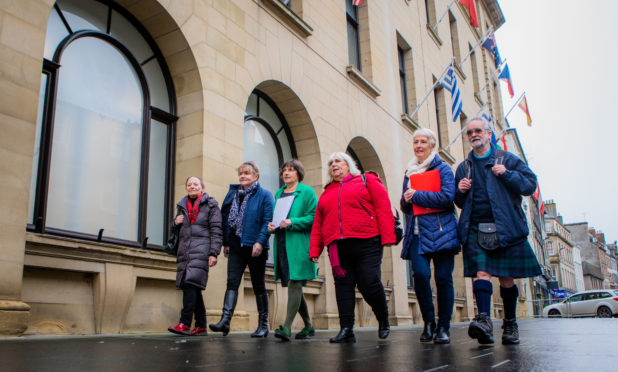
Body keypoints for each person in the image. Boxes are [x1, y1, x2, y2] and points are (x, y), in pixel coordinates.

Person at [455, 116, 541, 345]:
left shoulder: (506, 159)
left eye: (478, 131)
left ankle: (510, 324)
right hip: (476, 227)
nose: (474, 135)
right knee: (481, 273)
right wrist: (461, 191)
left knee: (506, 278)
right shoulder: (464, 167)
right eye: (470, 132)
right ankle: (484, 320)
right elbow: (459, 202)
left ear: (489, 134)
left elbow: (530, 184)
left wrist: (507, 173)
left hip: (506, 227)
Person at [309, 152, 396, 343]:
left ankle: (383, 318)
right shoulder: (326, 192)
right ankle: (346, 329)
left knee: (369, 282)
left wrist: (388, 237)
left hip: (367, 241)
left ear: (349, 165)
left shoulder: (367, 180)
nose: (334, 165)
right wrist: (315, 250)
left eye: (338, 161)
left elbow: (383, 207)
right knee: (343, 287)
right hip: (338, 247)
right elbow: (318, 224)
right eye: (331, 163)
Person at [400, 128, 460, 344]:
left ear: (432, 146)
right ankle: (428, 322)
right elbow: (405, 206)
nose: (418, 146)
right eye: (415, 141)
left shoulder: (443, 168)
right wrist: (407, 200)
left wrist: (417, 195)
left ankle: (444, 326)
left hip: (442, 232)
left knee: (443, 279)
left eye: (423, 141)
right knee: (421, 276)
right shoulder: (409, 171)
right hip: (417, 233)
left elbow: (446, 198)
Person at [209, 161, 274, 337]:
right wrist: (227, 242)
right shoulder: (233, 195)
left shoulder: (265, 195)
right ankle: (225, 321)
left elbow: (268, 221)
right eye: (241, 174)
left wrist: (260, 242)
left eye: (247, 173)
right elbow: (226, 219)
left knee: (258, 285)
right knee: (232, 283)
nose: (243, 176)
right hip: (237, 245)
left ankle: (263, 325)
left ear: (256, 176)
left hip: (255, 246)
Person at [268, 160, 318, 342]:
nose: (287, 173)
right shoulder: (279, 193)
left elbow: (314, 217)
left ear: (298, 173)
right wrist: (271, 225)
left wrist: (292, 221)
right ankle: (309, 326)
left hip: (298, 243)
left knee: (295, 282)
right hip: (282, 241)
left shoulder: (307, 192)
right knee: (293, 282)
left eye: (291, 170)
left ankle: (287, 327)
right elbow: (276, 215)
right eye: (284, 170)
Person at [168, 176, 222, 336]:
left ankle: (184, 323)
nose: (192, 186)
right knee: (194, 287)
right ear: (186, 188)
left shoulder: (211, 205)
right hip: (185, 250)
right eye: (189, 184)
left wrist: (214, 253)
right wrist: (174, 222)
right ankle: (201, 325)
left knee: (189, 284)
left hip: (202, 251)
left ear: (202, 187)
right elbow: (175, 231)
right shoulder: (182, 206)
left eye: (195, 184)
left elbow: (217, 230)